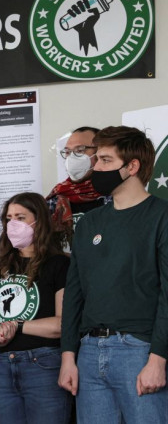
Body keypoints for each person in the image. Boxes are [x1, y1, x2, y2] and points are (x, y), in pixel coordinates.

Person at [59, 126, 168, 422]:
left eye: (105, 161)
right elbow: (75, 293)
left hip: (139, 350)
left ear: (132, 166)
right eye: (97, 160)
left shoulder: (161, 216)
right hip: (89, 352)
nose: (95, 167)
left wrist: (158, 358)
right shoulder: (89, 223)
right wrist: (68, 356)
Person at [0, 192, 71, 423]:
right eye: (9, 218)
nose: (13, 224)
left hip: (43, 364)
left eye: (20, 217)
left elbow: (62, 324)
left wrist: (15, 326)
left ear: (38, 221)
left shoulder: (59, 263)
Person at [45, 126, 107, 249]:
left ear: (100, 152)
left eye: (80, 150)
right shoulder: (56, 198)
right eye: (68, 152)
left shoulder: (113, 195)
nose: (71, 158)